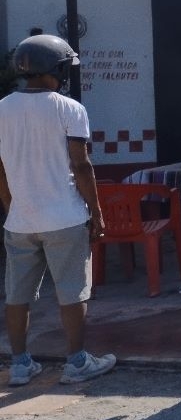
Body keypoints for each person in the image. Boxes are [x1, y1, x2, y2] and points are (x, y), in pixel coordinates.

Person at [0, 35, 116, 386]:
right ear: (56, 68)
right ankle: (77, 362)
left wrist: (11, 207)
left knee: (17, 294)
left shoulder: (2, 108)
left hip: (20, 221)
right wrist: (96, 212)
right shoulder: (69, 108)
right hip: (65, 218)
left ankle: (20, 365)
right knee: (72, 290)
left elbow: (0, 169)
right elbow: (82, 166)